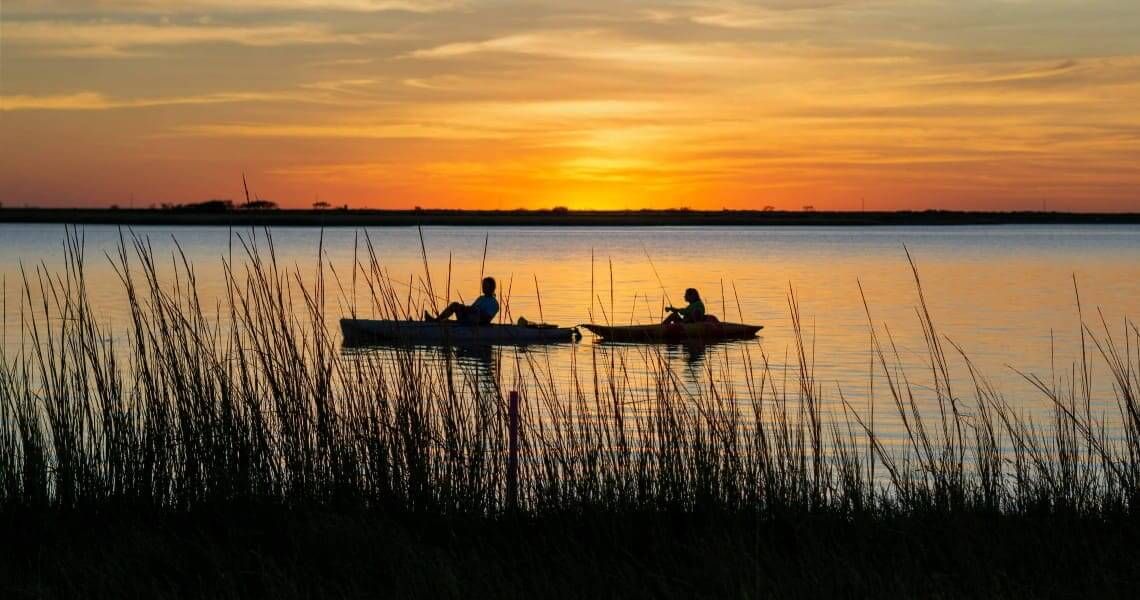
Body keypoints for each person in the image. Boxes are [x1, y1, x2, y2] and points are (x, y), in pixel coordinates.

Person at [425, 276, 499, 325]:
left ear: (491, 287)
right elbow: (472, 308)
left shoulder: (494, 303)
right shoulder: (481, 298)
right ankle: (436, 321)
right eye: (483, 285)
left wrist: (475, 311)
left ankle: (438, 322)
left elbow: (487, 318)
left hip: (477, 323)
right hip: (468, 318)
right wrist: (466, 308)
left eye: (485, 286)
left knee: (448, 322)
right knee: (455, 305)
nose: (483, 287)